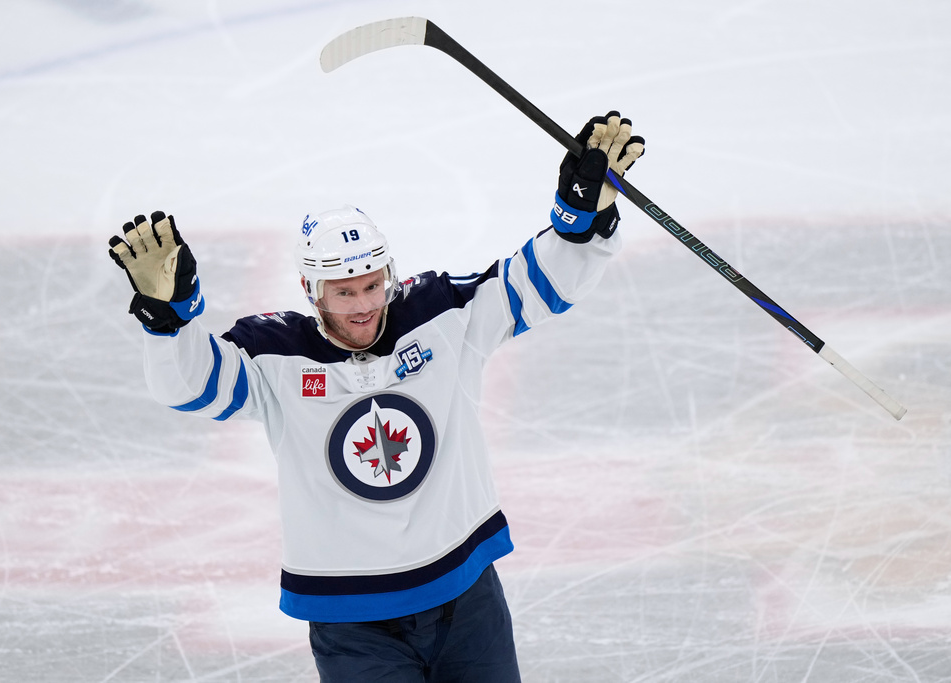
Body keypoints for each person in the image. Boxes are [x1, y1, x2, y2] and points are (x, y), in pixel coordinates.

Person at [107, 112, 644, 682]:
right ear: (310, 291)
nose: (363, 305)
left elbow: (542, 283)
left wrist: (584, 216)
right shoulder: (274, 356)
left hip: (466, 597)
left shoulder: (440, 316)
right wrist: (169, 319)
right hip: (353, 624)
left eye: (371, 285)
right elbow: (190, 386)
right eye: (343, 292)